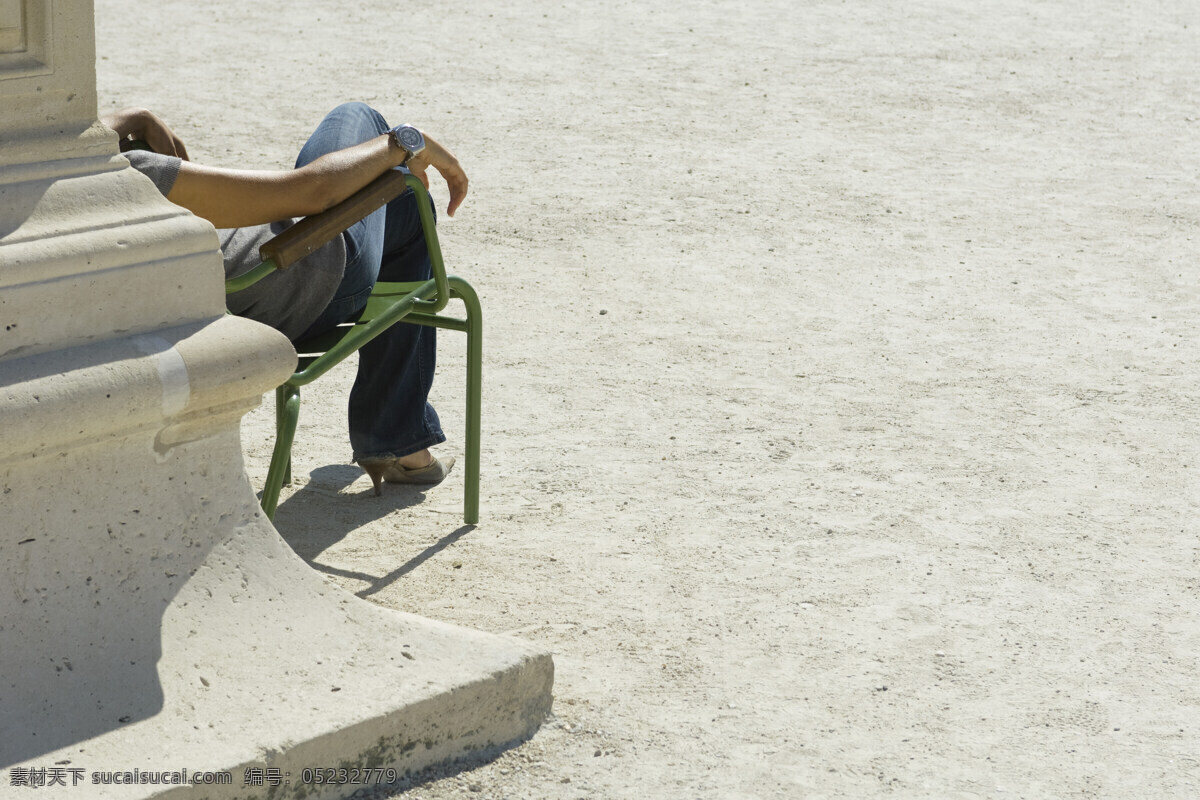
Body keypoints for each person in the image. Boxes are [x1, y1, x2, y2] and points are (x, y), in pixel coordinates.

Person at [100, 103, 468, 492]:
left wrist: (135, 119)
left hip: (242, 296)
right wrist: (406, 143)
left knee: (402, 201)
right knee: (363, 125)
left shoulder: (57, 186)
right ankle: (398, 439)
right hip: (306, 275)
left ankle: (401, 440)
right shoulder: (130, 175)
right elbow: (315, 191)